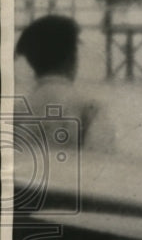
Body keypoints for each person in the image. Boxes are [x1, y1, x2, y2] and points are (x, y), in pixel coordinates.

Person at [15, 14, 116, 154]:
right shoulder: (89, 109)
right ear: (72, 58)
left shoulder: (16, 111)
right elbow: (103, 166)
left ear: (32, 63)